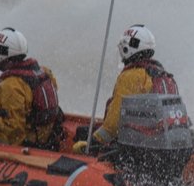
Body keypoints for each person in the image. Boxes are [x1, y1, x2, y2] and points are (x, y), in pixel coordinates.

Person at [74, 24, 180, 153]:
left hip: (136, 149)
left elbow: (112, 126)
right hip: (162, 146)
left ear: (127, 48)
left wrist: (92, 142)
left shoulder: (131, 77)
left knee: (81, 133)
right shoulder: (164, 76)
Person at [0, 27, 65, 149]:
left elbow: (12, 131)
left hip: (31, 146)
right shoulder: (44, 73)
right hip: (48, 140)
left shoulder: (11, 86)